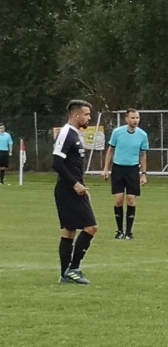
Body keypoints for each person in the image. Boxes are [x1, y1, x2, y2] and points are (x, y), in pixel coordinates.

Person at [53, 100, 99, 285]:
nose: (89, 118)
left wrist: (81, 184)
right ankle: (74, 269)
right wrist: (75, 185)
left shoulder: (74, 134)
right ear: (76, 115)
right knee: (91, 227)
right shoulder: (66, 133)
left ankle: (66, 274)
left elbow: (72, 165)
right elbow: (57, 163)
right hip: (67, 189)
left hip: (72, 188)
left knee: (69, 231)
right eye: (87, 114)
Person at [102, 108, 149, 240]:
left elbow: (143, 154)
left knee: (131, 199)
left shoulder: (142, 135)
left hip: (133, 169)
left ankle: (129, 232)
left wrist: (143, 174)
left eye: (137, 118)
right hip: (118, 169)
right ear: (127, 119)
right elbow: (110, 150)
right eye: (133, 118)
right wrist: (106, 168)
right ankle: (119, 231)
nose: (135, 120)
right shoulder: (117, 132)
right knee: (118, 200)